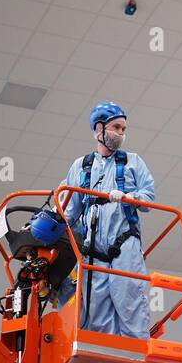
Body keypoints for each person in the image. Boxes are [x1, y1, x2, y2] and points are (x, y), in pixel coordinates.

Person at [58, 101, 155, 339]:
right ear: (99, 129)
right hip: (93, 251)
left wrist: (128, 197)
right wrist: (52, 223)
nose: (121, 133)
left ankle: (135, 357)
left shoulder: (133, 162)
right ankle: (107, 362)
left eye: (123, 128)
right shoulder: (81, 166)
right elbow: (69, 213)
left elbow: (149, 199)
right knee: (96, 308)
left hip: (124, 245)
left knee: (129, 300)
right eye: (116, 127)